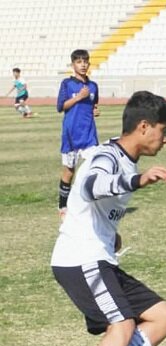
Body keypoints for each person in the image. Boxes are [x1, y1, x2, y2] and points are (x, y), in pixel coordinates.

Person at [51, 91, 166, 346]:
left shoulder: (123, 159)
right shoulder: (106, 156)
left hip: (98, 255)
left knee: (162, 316)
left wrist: (112, 234)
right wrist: (138, 180)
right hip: (79, 258)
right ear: (143, 126)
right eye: (163, 130)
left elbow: (93, 207)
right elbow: (92, 186)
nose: (165, 138)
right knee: (120, 324)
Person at [57, 49, 100, 220]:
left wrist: (95, 110)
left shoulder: (93, 86)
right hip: (71, 134)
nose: (83, 65)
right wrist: (78, 97)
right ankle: (62, 205)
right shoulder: (67, 84)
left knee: (94, 167)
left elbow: (94, 105)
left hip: (89, 134)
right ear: (73, 64)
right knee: (69, 171)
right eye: (79, 62)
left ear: (89, 64)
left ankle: (89, 204)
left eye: (85, 61)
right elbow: (61, 106)